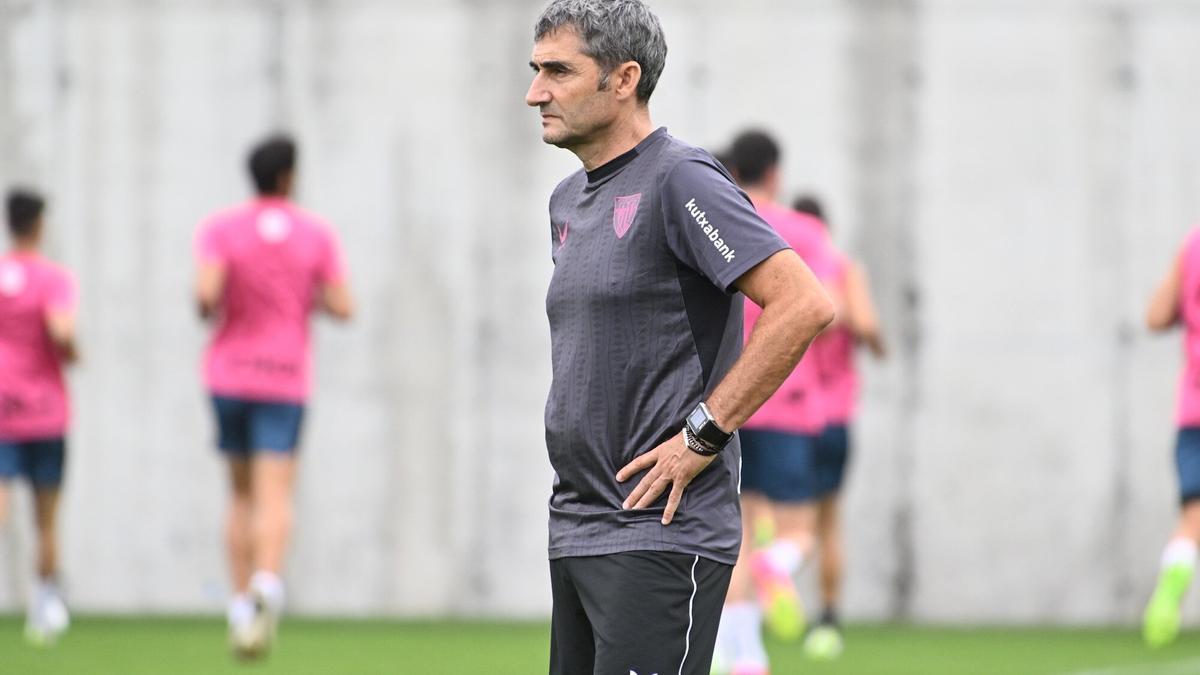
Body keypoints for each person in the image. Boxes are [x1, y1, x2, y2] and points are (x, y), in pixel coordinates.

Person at [526, 2, 835, 673]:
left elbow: (802, 303)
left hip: (659, 531)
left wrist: (704, 432)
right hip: (576, 526)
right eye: (535, 70)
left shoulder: (680, 178)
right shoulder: (566, 201)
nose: (535, 92)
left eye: (557, 71)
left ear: (623, 78)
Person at [194, 135, 353, 659]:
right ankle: (267, 583)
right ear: (288, 176)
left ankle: (241, 606)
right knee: (276, 491)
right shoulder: (314, 233)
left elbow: (206, 298)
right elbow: (342, 304)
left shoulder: (221, 229)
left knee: (239, 494)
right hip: (283, 377)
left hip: (229, 376)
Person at [713, 132, 841, 675]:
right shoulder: (807, 233)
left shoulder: (717, 222)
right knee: (799, 532)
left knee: (735, 535)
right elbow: (827, 308)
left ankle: (746, 656)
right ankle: (778, 564)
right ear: (775, 172)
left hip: (732, 401)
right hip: (790, 401)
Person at [794, 194, 886, 661]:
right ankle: (826, 618)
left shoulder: (783, 267)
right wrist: (855, 324)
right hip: (832, 415)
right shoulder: (845, 270)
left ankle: (759, 597)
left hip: (786, 414)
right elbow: (870, 328)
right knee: (826, 521)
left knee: (762, 515)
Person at [0, 188, 78, 645]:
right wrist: (73, 351)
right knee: (45, 516)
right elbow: (61, 331)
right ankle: (45, 605)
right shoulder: (52, 279)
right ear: (39, 225)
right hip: (45, 408)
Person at [1144, 228, 1200, 648]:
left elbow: (1157, 316)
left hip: (1193, 412)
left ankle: (1168, 595)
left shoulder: (1193, 245)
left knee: (1193, 517)